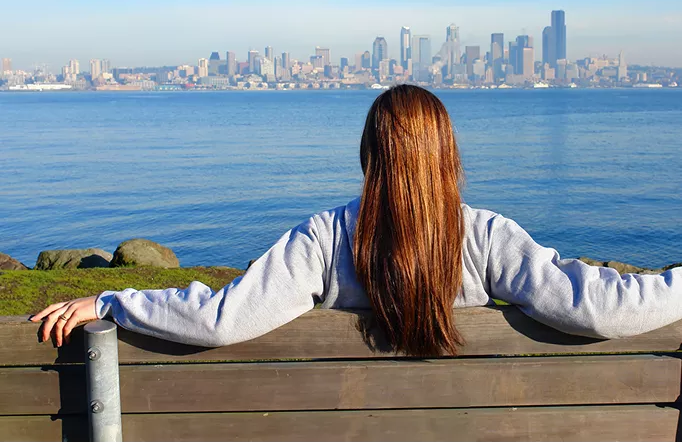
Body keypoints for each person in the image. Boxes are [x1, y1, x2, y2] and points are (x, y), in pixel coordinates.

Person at [32, 84, 682, 356]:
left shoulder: (323, 240)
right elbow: (599, 305)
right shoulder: (486, 238)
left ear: (368, 153)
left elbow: (222, 318)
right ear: (449, 157)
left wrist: (115, 300)